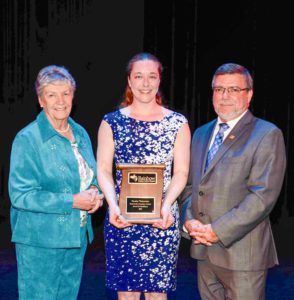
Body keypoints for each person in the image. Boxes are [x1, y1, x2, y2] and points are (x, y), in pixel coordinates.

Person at [181, 63, 286, 299]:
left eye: (233, 90)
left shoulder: (267, 134)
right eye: (219, 90)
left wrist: (217, 231)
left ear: (249, 95)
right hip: (203, 252)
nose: (225, 96)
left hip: (243, 257)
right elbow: (189, 188)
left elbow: (262, 197)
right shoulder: (200, 134)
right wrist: (189, 222)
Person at [97, 52, 191, 300]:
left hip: (162, 219)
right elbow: (104, 170)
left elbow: (181, 172)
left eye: (152, 76)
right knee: (126, 294)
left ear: (159, 80)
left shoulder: (177, 123)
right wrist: (113, 206)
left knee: (156, 295)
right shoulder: (111, 122)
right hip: (122, 218)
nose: (145, 83)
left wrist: (167, 206)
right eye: (138, 76)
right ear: (129, 80)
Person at [9, 65, 103, 299]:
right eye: (52, 95)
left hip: (76, 236)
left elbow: (90, 177)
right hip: (41, 242)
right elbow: (21, 195)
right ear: (41, 100)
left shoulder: (80, 133)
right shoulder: (27, 139)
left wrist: (95, 194)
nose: (60, 101)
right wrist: (72, 201)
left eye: (66, 93)